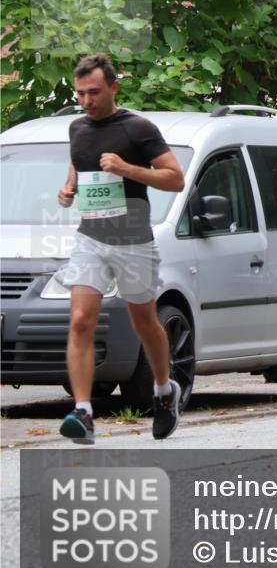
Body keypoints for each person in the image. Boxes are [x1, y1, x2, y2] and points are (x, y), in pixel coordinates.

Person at [56, 54, 185, 444]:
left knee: (144, 322)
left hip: (133, 239)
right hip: (90, 238)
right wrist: (69, 188)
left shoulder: (139, 129)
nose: (86, 100)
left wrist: (128, 169)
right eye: (80, 93)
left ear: (114, 87)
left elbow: (175, 179)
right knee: (80, 320)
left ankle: (164, 391)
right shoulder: (77, 128)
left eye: (94, 92)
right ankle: (83, 411)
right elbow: (80, 164)